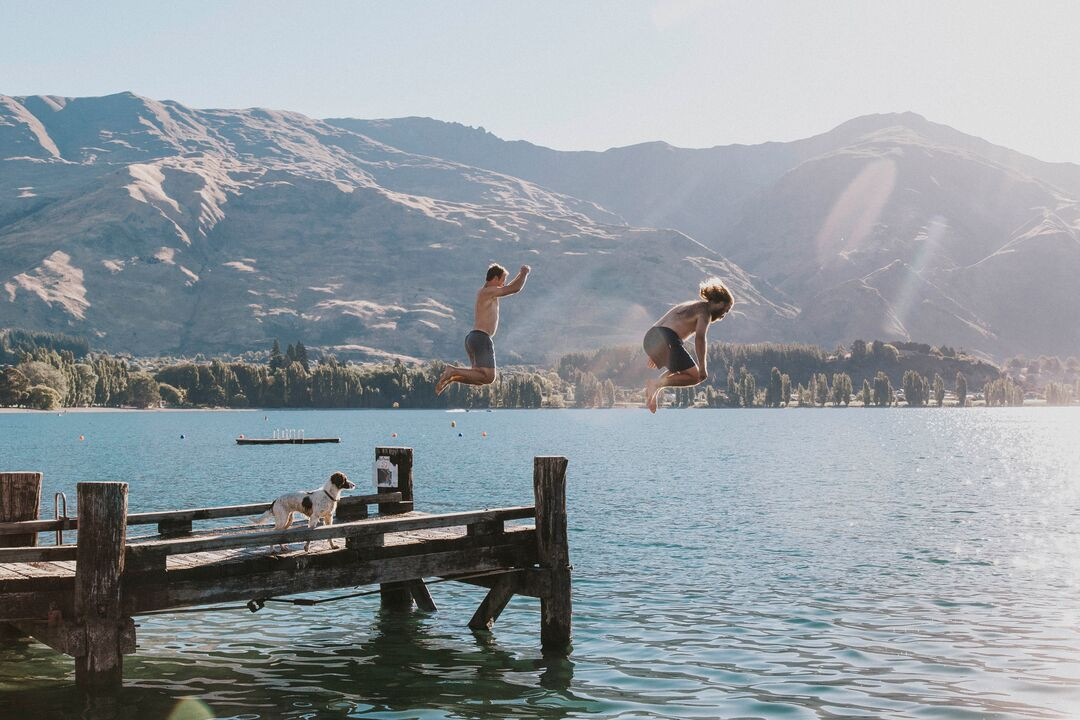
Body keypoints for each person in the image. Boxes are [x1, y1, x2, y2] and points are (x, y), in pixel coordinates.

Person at [436, 263, 530, 395]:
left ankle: (453, 377)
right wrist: (525, 273)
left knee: (479, 378)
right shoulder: (488, 292)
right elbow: (514, 288)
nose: (503, 284)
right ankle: (453, 371)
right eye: (502, 280)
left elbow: (510, 287)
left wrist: (519, 275)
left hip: (472, 338)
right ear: (495, 278)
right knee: (490, 377)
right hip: (481, 338)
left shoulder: (485, 293)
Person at [642, 278, 734, 412]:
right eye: (725, 309)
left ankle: (654, 391)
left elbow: (662, 323)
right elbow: (700, 339)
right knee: (696, 376)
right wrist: (703, 367)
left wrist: (654, 350)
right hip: (666, 338)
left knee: (678, 371)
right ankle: (656, 384)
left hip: (651, 337)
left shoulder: (689, 305)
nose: (724, 315)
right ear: (718, 302)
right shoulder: (705, 313)